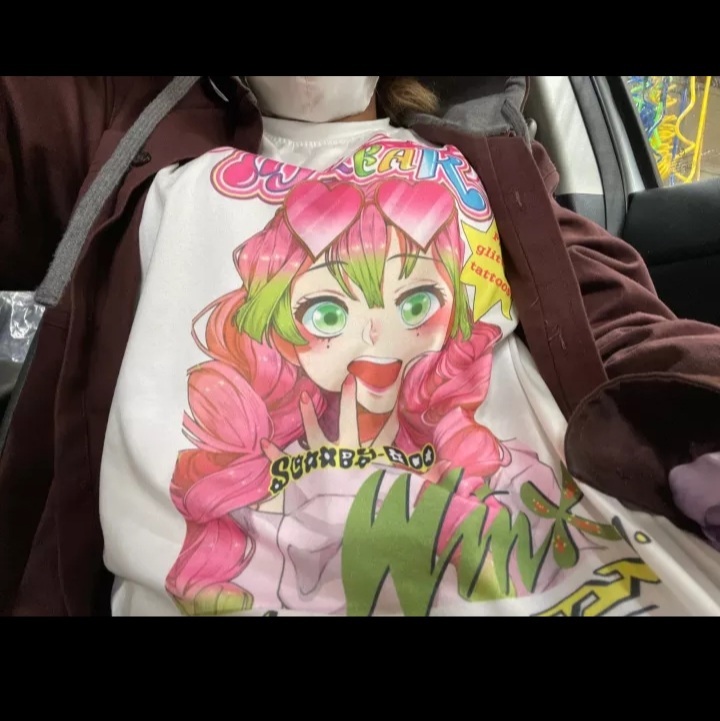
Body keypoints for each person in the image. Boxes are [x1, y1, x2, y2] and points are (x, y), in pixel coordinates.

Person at [1, 75, 719, 617]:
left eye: (413, 303)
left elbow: (618, 318)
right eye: (322, 312)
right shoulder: (122, 121)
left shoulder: (480, 155)